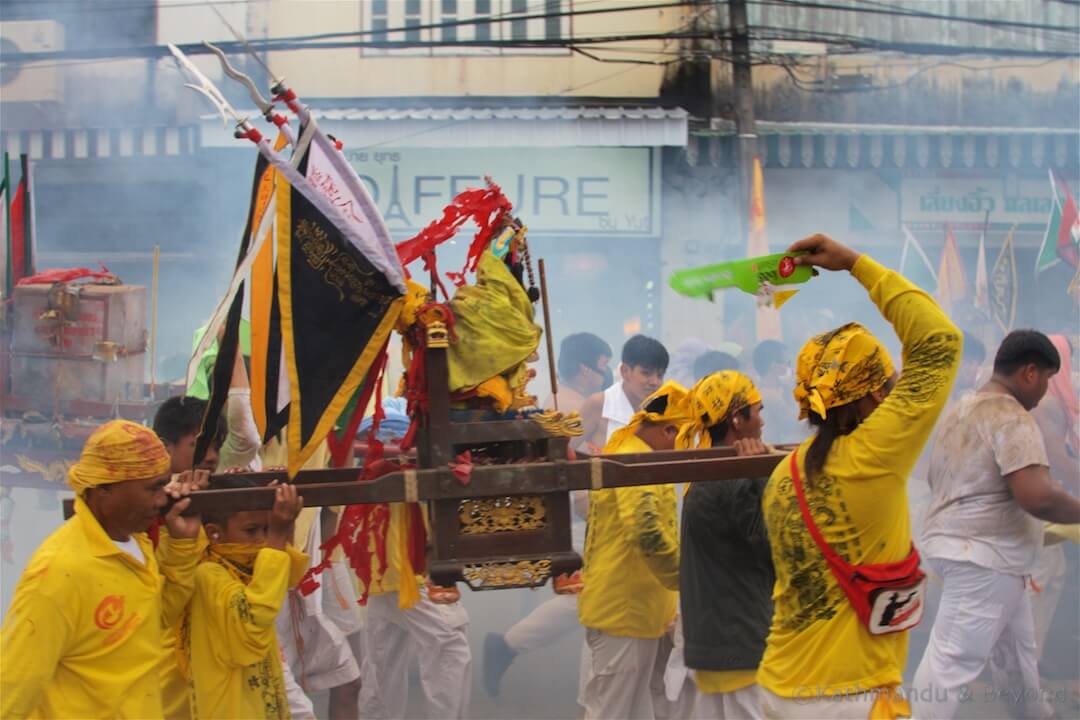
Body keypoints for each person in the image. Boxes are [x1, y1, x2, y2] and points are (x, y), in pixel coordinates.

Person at [757, 233, 962, 719]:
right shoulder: (874, 455)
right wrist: (854, 263)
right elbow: (938, 343)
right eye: (890, 385)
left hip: (777, 689)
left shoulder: (784, 474)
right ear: (873, 396)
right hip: (846, 698)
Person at [913, 330, 1080, 719]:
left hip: (980, 554)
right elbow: (1037, 495)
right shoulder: (1011, 417)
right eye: (1046, 380)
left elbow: (945, 480)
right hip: (983, 560)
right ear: (1029, 372)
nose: (1045, 392)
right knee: (950, 662)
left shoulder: (963, 409)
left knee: (1017, 661)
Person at [0, 419, 203, 717]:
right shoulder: (58, 571)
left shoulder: (137, 544)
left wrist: (183, 546)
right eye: (153, 488)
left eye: (164, 484)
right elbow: (15, 684)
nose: (162, 500)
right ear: (103, 489)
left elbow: (155, 618)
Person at [484, 333, 610, 697]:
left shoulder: (557, 399)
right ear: (587, 368)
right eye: (603, 366)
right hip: (574, 516)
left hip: (574, 515)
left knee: (592, 598)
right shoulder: (576, 406)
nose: (604, 377)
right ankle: (508, 645)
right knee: (588, 597)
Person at [578, 381, 691, 720]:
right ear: (668, 429)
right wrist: (689, 580)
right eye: (687, 437)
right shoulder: (633, 460)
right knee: (613, 712)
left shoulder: (637, 452)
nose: (688, 447)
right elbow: (649, 534)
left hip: (642, 612)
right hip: (623, 615)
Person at [677, 371, 773, 719]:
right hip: (741, 649)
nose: (762, 421)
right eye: (757, 410)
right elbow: (772, 549)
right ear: (737, 419)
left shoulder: (708, 469)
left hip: (717, 648)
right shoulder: (734, 475)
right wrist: (758, 473)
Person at [187, 476, 308, 719]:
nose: (262, 540)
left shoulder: (246, 565)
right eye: (252, 531)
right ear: (214, 534)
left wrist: (284, 527)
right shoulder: (208, 573)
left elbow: (289, 575)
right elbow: (252, 619)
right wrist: (276, 536)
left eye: (266, 529)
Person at [578, 334, 669, 452]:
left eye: (660, 375)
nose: (655, 382)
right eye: (646, 373)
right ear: (625, 371)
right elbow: (565, 452)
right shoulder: (598, 404)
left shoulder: (666, 411)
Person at [546, 332, 613, 413]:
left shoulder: (557, 397)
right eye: (604, 364)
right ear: (585, 369)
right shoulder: (584, 410)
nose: (607, 370)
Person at [752, 340, 802, 444]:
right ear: (774, 366)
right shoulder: (770, 396)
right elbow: (794, 425)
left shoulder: (761, 389)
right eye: (787, 363)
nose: (791, 368)